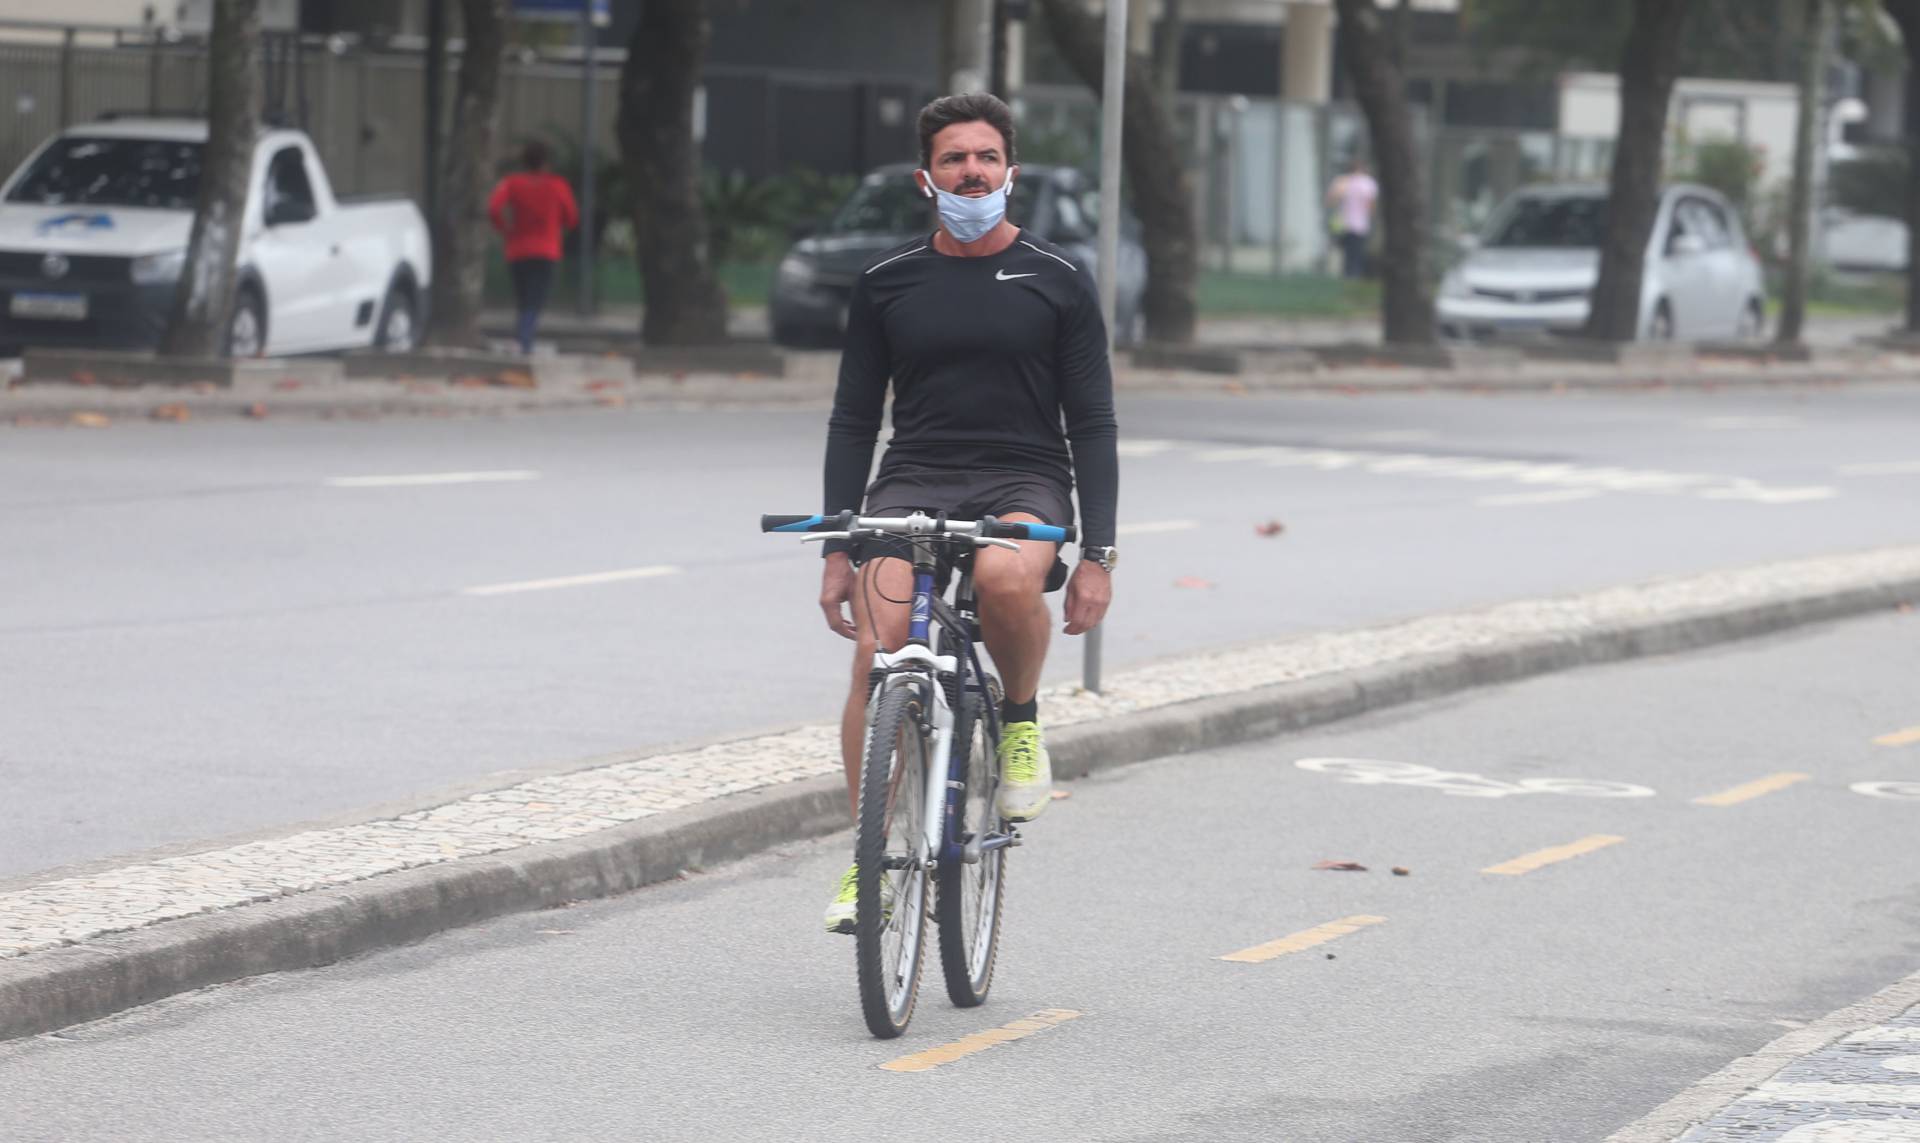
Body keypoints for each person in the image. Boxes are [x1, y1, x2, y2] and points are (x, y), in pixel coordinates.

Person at [815, 92, 1119, 934]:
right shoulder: (886, 282)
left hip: (1024, 476)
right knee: (876, 654)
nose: (972, 172)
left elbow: (1092, 423)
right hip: (913, 475)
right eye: (954, 159)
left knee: (1001, 577)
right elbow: (852, 418)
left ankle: (1018, 719)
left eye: (986, 158)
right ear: (927, 177)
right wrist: (840, 544)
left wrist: (1100, 552)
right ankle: (869, 864)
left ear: (1010, 172)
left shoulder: (1058, 279)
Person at [487, 141, 579, 355]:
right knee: (535, 299)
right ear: (546, 163)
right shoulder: (558, 185)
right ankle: (523, 341)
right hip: (547, 250)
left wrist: (505, 229)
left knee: (523, 297)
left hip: (517, 249)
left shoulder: (511, 183)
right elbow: (572, 217)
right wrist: (558, 227)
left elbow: (493, 208)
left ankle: (522, 339)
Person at [1326, 157, 1378, 279]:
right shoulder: (1367, 183)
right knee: (1357, 252)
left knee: (1346, 252)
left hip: (1342, 223)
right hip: (1360, 224)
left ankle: (1347, 274)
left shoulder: (1342, 182)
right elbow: (1370, 206)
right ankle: (1354, 275)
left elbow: (1331, 201)